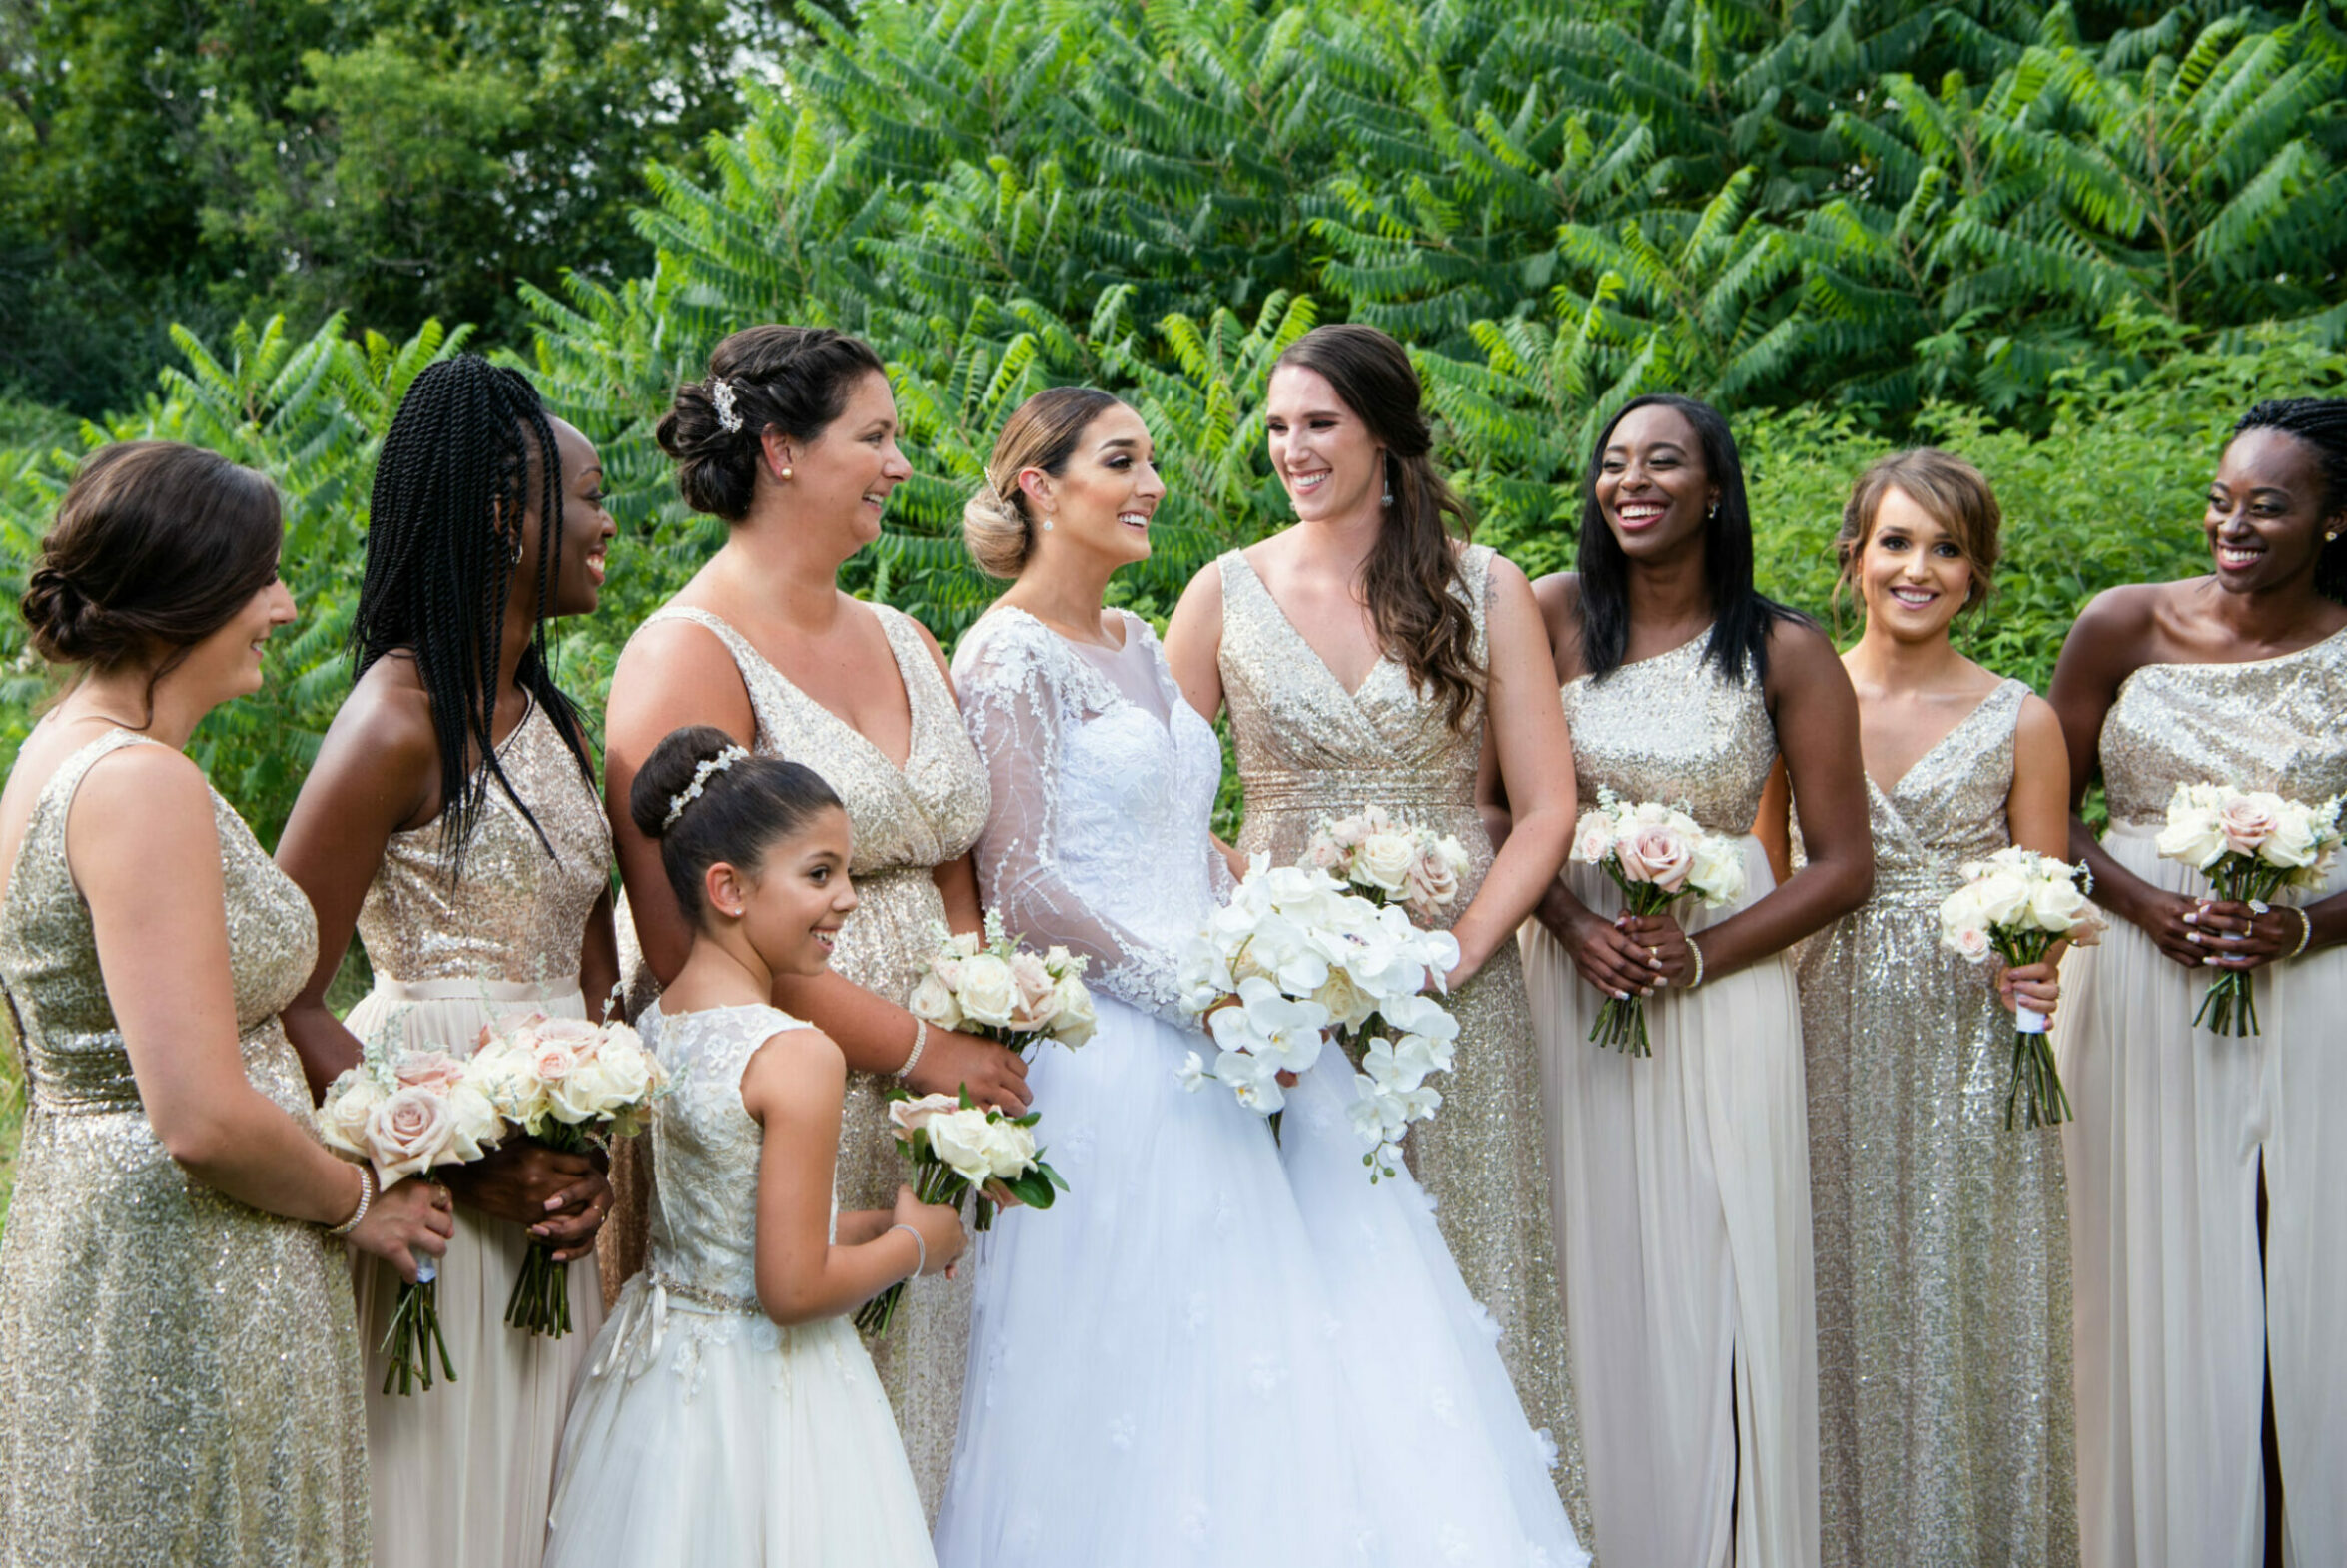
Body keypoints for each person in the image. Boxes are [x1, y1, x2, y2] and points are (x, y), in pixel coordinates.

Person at [933, 387, 1587, 1568]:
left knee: (1270, 1355)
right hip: (1128, 1049)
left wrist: (1286, 947)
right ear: (1038, 486)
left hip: (1235, 1043)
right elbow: (1021, 880)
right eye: (1123, 463)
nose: (1152, 486)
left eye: (1149, 461)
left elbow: (1187, 834)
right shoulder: (1007, 653)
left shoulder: (1133, 641)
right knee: (1149, 1360)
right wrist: (1211, 995)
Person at [1162, 324, 1590, 1529]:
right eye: (1279, 425)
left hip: (1458, 980)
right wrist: (1263, 916)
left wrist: (1457, 949)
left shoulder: (1486, 585)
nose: (1292, 449)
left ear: (1388, 436)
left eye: (1321, 424)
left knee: (1472, 1255)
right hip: (1281, 993)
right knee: (1295, 1276)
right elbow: (1162, 799)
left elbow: (1545, 804)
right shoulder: (1223, 590)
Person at [0, 440, 451, 1565]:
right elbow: (197, 1113)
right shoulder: (137, 784)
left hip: (99, 1230)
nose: (285, 606)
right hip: (190, 1273)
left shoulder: (56, 754)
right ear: (187, 588)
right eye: (262, 579)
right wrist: (361, 1201)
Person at [602, 325, 1007, 1509]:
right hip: (798, 1087)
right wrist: (925, 1047)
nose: (900, 466)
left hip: (947, 1094)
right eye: (874, 438)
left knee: (940, 1414)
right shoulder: (686, 650)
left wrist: (989, 1016)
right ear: (779, 450)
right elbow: (693, 943)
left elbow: (950, 859)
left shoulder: (904, 634)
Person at [274, 356, 621, 1567]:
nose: (607, 522)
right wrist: (453, 1154)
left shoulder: (563, 724)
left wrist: (593, 1157)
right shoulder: (398, 714)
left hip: (556, 1181)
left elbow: (595, 974)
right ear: (501, 515)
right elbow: (280, 986)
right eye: (585, 495)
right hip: (437, 1173)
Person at [1513, 393, 1871, 1568]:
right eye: (1613, 463)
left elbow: (1844, 863)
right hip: (1571, 983)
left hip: (1724, 992)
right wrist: (1568, 921)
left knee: (1720, 1269)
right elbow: (1488, 804)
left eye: (1662, 462)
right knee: (1583, 1262)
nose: (1632, 482)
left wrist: (1707, 952)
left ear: (1715, 488)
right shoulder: (1551, 617)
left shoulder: (1786, 650)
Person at [543, 725, 964, 1566]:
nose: (848, 898)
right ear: (729, 889)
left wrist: (870, 1221)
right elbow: (792, 1288)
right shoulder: (797, 1053)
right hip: (771, 1399)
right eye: (821, 873)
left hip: (659, 1381)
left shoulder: (654, 1030)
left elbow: (729, 1227)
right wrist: (920, 1244)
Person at [2046, 397, 2347, 1568]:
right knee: (2148, 1261)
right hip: (2139, 979)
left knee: (2311, 1256)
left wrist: (2304, 926)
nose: (2234, 523)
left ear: (2333, 520)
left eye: (2269, 506)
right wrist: (2145, 903)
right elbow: (2045, 812)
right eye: (2223, 499)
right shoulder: (2122, 625)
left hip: (2319, 981)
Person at [1796, 449, 2076, 1568]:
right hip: (1824, 1019)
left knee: (1967, 1294)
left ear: (1977, 574)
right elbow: (1773, 869)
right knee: (1834, 1287)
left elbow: (2046, 891)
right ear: (1854, 555)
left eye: (1946, 548)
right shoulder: (1800, 696)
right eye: (1896, 541)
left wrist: (2036, 961)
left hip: (1970, 1032)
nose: (1917, 567)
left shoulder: (2022, 718)